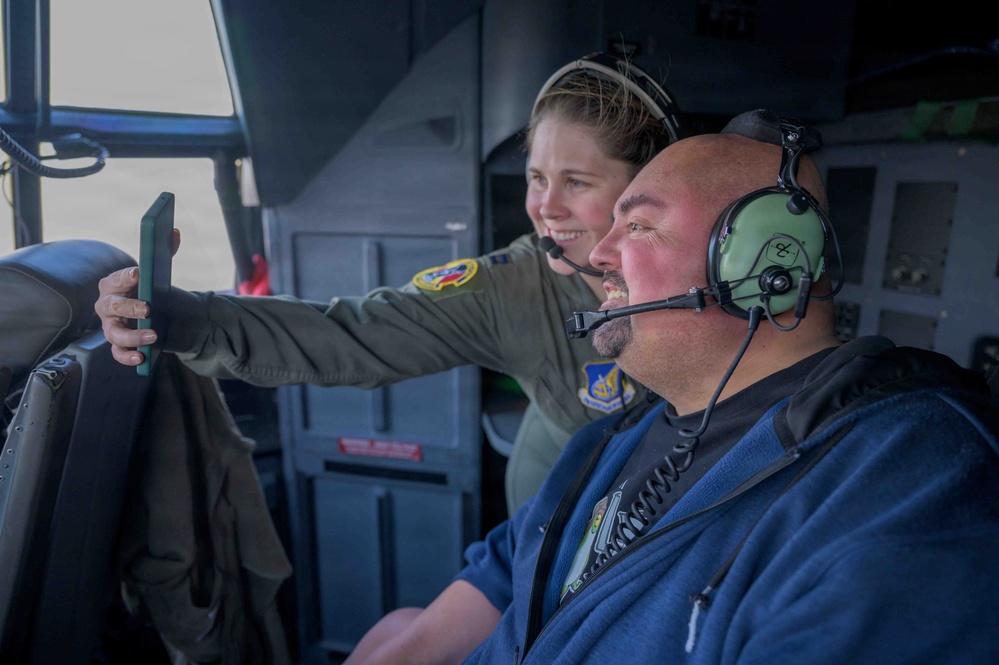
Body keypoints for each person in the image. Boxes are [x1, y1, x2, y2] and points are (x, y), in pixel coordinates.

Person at [341, 111, 999, 665]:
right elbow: (508, 562)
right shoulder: (616, 433)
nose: (598, 255)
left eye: (637, 224)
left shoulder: (908, 483)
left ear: (760, 265)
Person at [95, 53, 680, 516]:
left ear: (647, 188)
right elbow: (351, 333)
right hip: (569, 506)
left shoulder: (722, 276)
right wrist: (185, 319)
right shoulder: (516, 287)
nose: (545, 208)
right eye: (535, 178)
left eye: (575, 182)